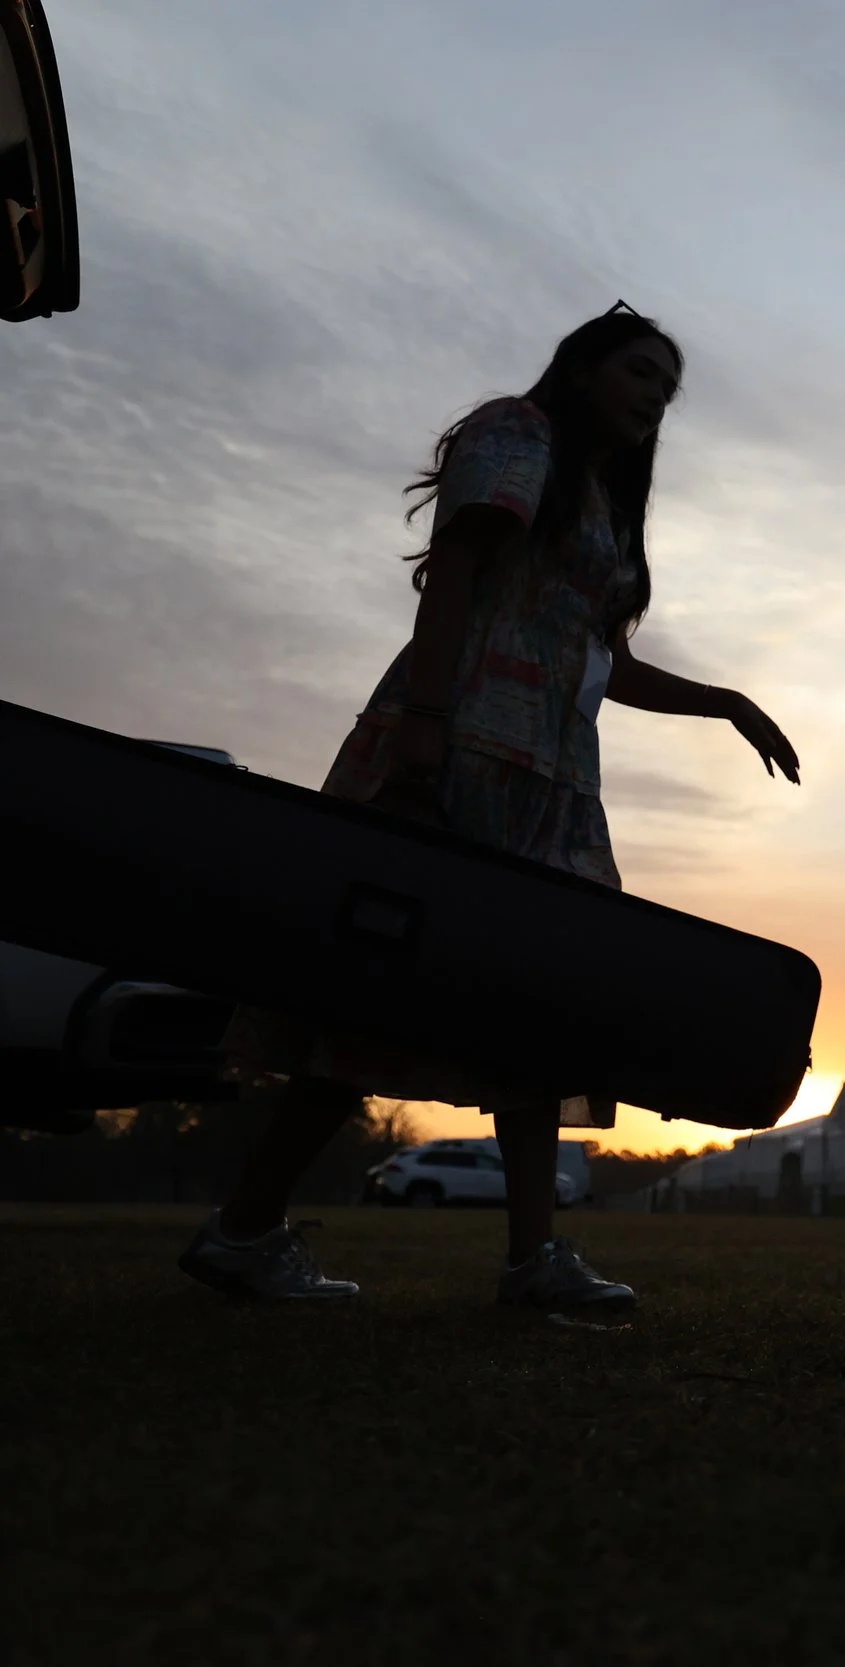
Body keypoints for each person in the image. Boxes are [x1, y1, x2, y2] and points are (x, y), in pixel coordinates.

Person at [178, 305, 801, 1312]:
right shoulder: (519, 432)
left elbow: (607, 660)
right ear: (585, 367)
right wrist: (425, 727)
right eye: (642, 373)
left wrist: (725, 701)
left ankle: (530, 1259)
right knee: (375, 993)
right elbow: (458, 571)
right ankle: (244, 1230)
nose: (656, 398)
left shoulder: (604, 495)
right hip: (462, 742)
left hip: (553, 783)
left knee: (542, 1003)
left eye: (668, 389)